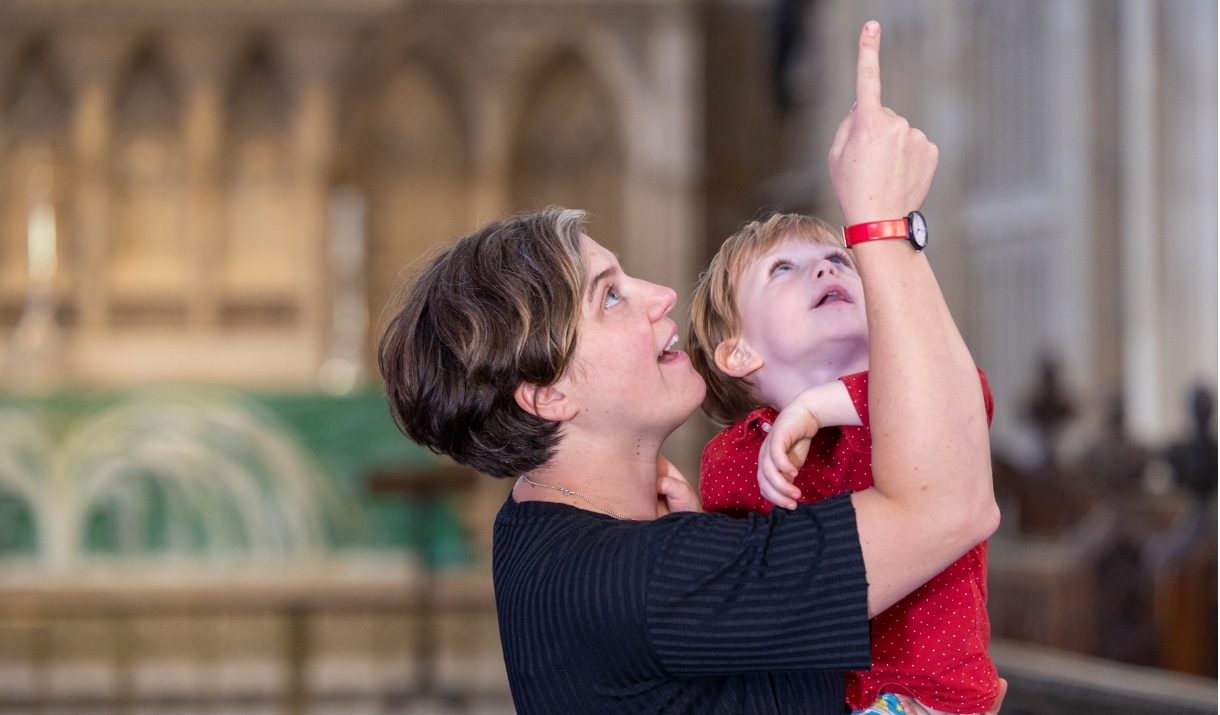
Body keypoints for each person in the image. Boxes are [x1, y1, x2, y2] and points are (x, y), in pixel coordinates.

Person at [379, 21, 1003, 715]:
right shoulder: (641, 583)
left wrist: (698, 533)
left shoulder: (542, 527)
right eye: (610, 296)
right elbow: (953, 505)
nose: (660, 296)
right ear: (547, 393)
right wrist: (884, 222)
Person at [687, 213, 1000, 715]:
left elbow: (967, 393)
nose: (824, 270)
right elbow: (735, 589)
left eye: (838, 259)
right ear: (739, 353)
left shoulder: (917, 399)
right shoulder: (734, 455)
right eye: (783, 268)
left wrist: (815, 407)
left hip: (932, 696)